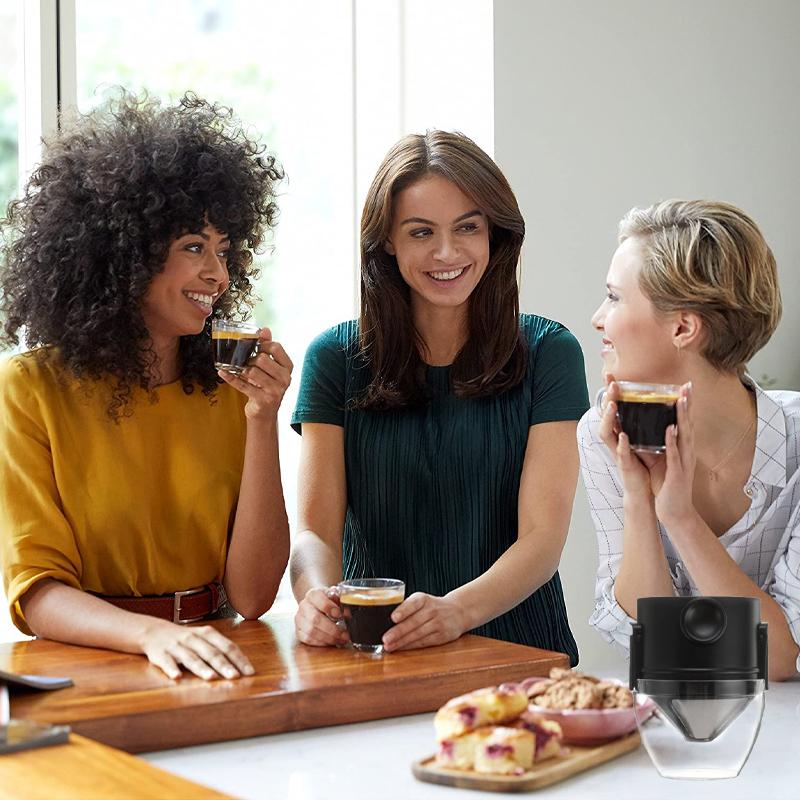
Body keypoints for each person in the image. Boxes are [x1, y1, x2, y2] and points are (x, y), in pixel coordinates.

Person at [0, 93, 293, 680]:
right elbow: (36, 594)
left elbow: (255, 597)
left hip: (216, 657)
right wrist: (152, 636)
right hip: (91, 663)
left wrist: (262, 419)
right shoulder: (30, 390)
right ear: (123, 255)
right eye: (193, 247)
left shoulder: (224, 389)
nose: (219, 274)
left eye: (224, 250)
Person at [290, 130, 589, 662]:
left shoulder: (550, 351)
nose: (446, 253)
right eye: (421, 232)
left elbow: (541, 541)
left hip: (520, 657)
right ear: (386, 241)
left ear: (495, 234)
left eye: (467, 228)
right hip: (376, 655)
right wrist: (315, 596)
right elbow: (315, 531)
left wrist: (455, 613)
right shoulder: (334, 357)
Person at [578, 199, 800, 681]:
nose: (598, 318)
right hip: (677, 720)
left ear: (683, 327)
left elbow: (782, 658)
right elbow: (649, 642)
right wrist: (639, 494)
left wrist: (679, 517)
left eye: (614, 298)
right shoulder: (604, 432)